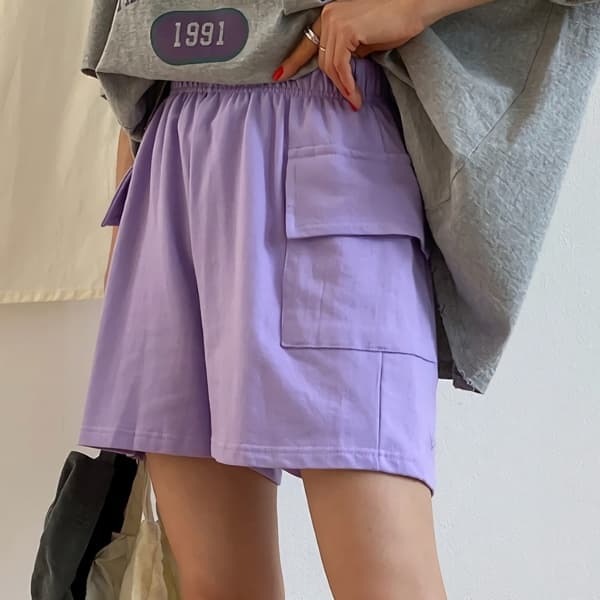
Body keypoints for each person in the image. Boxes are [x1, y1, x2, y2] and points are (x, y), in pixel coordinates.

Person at [77, 0, 597, 598]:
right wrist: (128, 225)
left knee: (387, 584)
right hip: (170, 157)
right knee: (217, 585)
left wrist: (409, 6)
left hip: (326, 123)